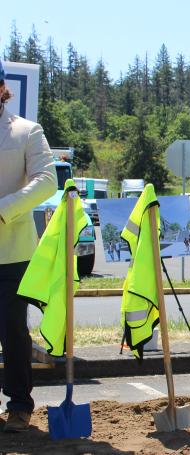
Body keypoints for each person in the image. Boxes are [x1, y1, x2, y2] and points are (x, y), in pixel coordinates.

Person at [0, 60, 57, 432]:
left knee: (11, 331)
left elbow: (47, 181)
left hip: (11, 250)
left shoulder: (25, 131)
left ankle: (19, 404)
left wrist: (3, 210)